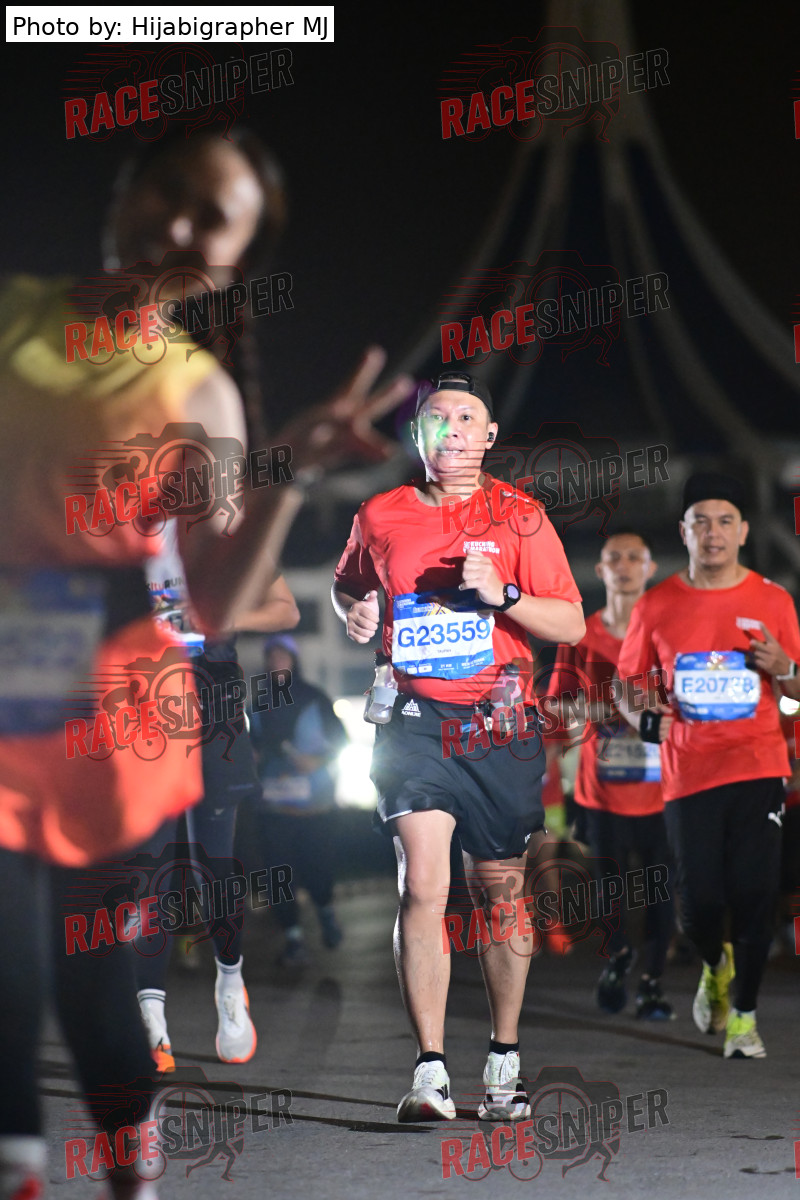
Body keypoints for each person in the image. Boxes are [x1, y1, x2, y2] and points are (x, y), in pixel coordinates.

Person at [0, 127, 410, 1198]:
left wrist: (292, 468)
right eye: (167, 190)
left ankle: (129, 1160)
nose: (177, 223)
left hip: (113, 710)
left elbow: (221, 600)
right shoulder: (12, 315)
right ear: (124, 191)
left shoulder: (199, 393)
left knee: (92, 968)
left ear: (232, 263)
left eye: (213, 218)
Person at [332, 370, 584, 1122]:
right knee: (422, 886)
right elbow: (350, 587)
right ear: (417, 435)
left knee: (499, 888)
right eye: (436, 418)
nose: (451, 430)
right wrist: (355, 611)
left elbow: (570, 622)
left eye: (466, 418)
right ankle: (430, 1071)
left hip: (499, 725)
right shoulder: (380, 513)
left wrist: (504, 595)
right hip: (413, 722)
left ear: (489, 435)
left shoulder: (521, 516)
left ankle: (503, 1060)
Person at [616, 472, 800, 1058]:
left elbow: (797, 693)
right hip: (688, 774)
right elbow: (625, 687)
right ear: (684, 532)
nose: (713, 533)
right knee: (698, 905)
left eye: (725, 522)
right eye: (701, 522)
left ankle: (744, 1017)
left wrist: (785, 668)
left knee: (755, 893)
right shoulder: (657, 604)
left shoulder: (774, 601)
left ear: (743, 531)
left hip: (758, 765)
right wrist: (648, 723)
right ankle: (715, 965)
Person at [134, 571, 300, 1072]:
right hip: (142, 714)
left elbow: (286, 609)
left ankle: (230, 982)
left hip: (214, 717)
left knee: (214, 869)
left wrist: (222, 614)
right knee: (149, 874)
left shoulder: (222, 532)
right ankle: (151, 1021)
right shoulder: (120, 533)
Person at [550, 531, 675, 1018]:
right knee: (609, 890)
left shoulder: (668, 631)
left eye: (634, 557)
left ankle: (652, 984)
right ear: (600, 570)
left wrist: (653, 712)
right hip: (601, 792)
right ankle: (618, 955)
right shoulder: (580, 634)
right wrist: (605, 708)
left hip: (663, 790)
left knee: (662, 890)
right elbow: (557, 704)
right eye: (613, 558)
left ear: (650, 568)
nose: (624, 566)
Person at [247, 634, 348, 966]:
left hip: (315, 807)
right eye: (271, 657)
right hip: (274, 808)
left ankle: (326, 915)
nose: (277, 663)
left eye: (283, 657)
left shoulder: (314, 699)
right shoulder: (258, 705)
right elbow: (251, 747)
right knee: (278, 878)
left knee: (318, 870)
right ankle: (293, 940)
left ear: (294, 661)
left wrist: (316, 761)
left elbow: (341, 741)